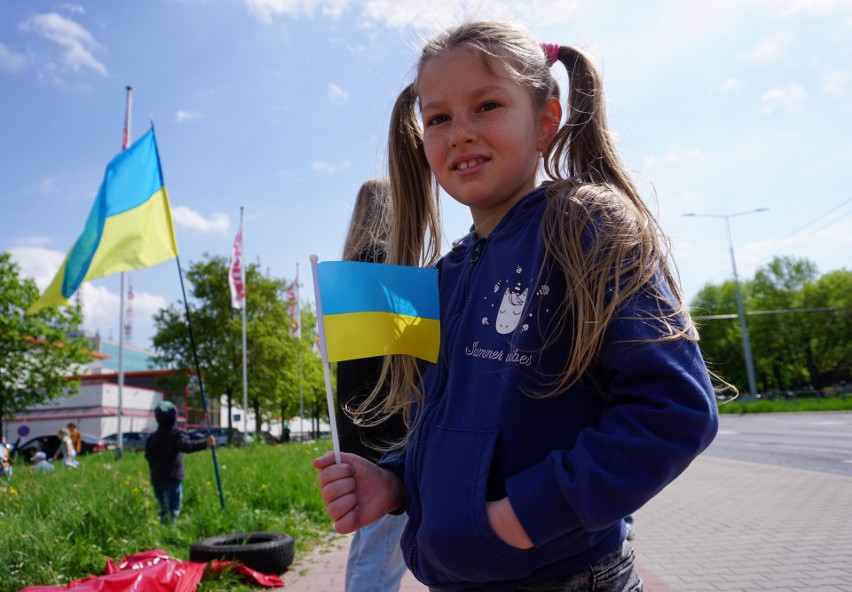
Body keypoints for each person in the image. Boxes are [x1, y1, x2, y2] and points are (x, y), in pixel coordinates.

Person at [314, 21, 720, 592]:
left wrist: (523, 517)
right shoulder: (445, 276)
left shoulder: (586, 227)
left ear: (546, 121)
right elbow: (449, 420)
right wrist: (396, 481)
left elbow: (674, 410)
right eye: (438, 118)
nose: (460, 133)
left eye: (487, 106)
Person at [336, 179, 409, 592]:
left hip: (356, 439)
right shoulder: (389, 270)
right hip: (389, 442)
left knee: (369, 555)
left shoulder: (347, 278)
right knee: (376, 567)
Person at [144, 401, 215, 525]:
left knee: (165, 509)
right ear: (174, 416)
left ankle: (163, 530)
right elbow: (186, 446)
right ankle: (168, 536)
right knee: (172, 510)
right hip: (172, 479)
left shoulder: (152, 437)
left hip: (157, 480)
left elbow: (147, 455)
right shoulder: (176, 433)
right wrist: (205, 444)